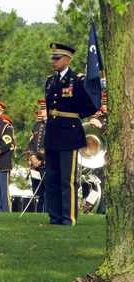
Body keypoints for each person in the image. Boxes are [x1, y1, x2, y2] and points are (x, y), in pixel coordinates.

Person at [44, 42, 97, 225]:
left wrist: (76, 116)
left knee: (68, 179)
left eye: (57, 58)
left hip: (69, 134)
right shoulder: (50, 81)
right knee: (51, 178)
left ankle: (69, 217)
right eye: (53, 58)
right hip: (52, 133)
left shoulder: (78, 81)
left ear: (67, 59)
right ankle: (55, 216)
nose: (54, 61)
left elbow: (92, 104)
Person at [27, 99, 47, 212]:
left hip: (46, 164)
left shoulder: (52, 125)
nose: (41, 111)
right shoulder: (37, 125)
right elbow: (31, 144)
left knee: (47, 193)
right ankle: (38, 214)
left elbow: (52, 145)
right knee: (37, 193)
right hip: (35, 166)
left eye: (44, 108)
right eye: (41, 108)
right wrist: (32, 157)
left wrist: (41, 160)